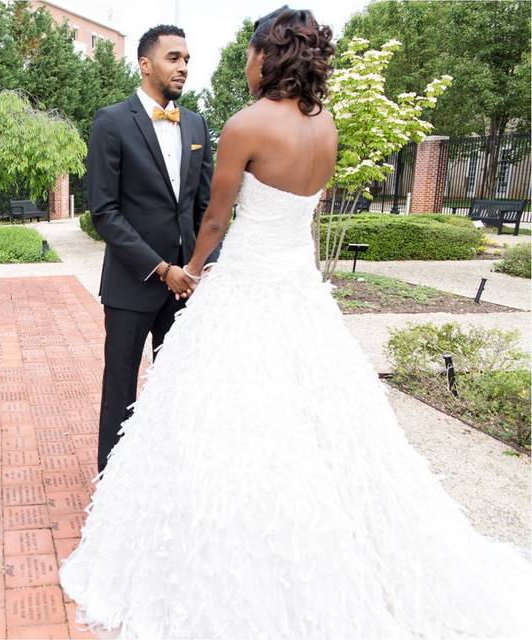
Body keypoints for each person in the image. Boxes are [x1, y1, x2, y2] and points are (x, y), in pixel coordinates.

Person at [59, 7, 531, 639]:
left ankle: (221, 536)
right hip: (295, 292)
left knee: (223, 415)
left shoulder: (242, 123)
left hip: (242, 292)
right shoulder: (327, 126)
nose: (241, 64)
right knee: (311, 416)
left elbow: (217, 217)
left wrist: (193, 268)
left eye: (251, 53)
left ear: (266, 56)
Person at [88, 24, 219, 474]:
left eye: (186, 59)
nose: (183, 67)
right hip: (132, 285)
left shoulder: (198, 125)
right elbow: (104, 212)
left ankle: (166, 476)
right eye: (173, 58)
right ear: (145, 64)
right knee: (120, 387)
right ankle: (112, 481)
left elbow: (205, 209)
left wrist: (203, 269)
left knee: (177, 386)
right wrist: (162, 268)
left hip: (186, 288)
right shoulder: (111, 122)